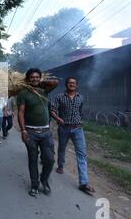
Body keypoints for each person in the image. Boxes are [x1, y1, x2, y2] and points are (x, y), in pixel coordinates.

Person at [17, 68, 59, 197]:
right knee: (33, 159)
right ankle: (34, 185)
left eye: (37, 77)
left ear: (40, 78)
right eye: (32, 77)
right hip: (31, 132)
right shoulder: (23, 93)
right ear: (27, 79)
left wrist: (41, 81)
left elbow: (56, 82)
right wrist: (23, 130)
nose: (34, 79)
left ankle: (44, 180)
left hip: (46, 132)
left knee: (50, 159)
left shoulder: (44, 90)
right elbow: (21, 112)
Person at [50, 77, 95, 195]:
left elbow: (80, 112)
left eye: (74, 83)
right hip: (64, 128)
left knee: (82, 154)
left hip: (77, 128)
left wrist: (79, 121)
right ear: (66, 85)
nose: (72, 85)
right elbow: (52, 110)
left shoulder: (81, 97)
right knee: (62, 149)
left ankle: (83, 182)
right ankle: (60, 165)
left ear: (77, 85)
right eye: (70, 83)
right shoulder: (60, 97)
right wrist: (58, 119)